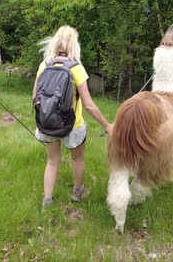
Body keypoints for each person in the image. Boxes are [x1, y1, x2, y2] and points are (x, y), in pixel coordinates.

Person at [32, 25, 113, 209]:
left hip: (47, 122)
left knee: (52, 161)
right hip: (72, 125)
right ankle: (78, 192)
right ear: (74, 45)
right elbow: (89, 104)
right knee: (78, 159)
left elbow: (35, 98)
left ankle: (47, 201)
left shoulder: (44, 65)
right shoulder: (76, 68)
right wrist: (107, 125)